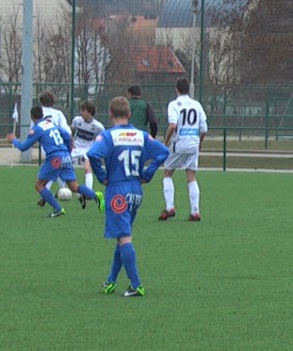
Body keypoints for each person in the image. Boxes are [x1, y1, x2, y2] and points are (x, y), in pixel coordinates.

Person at [86, 97, 170, 297]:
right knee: (122, 235)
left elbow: (93, 155)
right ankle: (111, 281)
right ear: (129, 114)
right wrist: (148, 173)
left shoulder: (107, 136)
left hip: (118, 190)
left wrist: (102, 177)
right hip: (135, 190)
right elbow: (164, 152)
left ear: (110, 114)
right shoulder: (142, 135)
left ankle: (136, 285)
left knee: (124, 237)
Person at [8, 106, 100, 218]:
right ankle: (96, 195)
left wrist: (14, 140)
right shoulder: (50, 123)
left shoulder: (37, 129)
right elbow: (66, 134)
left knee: (39, 185)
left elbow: (24, 147)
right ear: (42, 115)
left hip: (54, 158)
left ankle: (58, 208)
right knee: (74, 186)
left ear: (32, 117)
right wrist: (68, 149)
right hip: (65, 156)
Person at [159, 77, 208, 221]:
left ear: (177, 89)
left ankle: (170, 208)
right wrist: (199, 142)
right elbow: (204, 129)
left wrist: (165, 142)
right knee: (191, 177)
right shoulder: (197, 105)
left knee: (168, 173)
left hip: (178, 144)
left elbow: (173, 125)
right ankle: (195, 211)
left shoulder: (174, 104)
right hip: (193, 144)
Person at [39, 90, 72, 201]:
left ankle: (48, 192)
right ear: (53, 102)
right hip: (58, 144)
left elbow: (33, 129)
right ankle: (60, 189)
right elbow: (66, 130)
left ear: (41, 101)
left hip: (45, 145)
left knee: (54, 167)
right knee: (57, 167)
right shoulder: (58, 113)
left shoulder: (38, 112)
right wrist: (70, 140)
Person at [71, 100, 106, 189]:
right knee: (62, 165)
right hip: (75, 147)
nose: (80, 112)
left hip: (88, 149)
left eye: (83, 110)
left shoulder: (99, 126)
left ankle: (88, 192)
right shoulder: (77, 120)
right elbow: (72, 130)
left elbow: (101, 140)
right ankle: (63, 188)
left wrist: (96, 150)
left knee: (87, 168)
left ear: (90, 112)